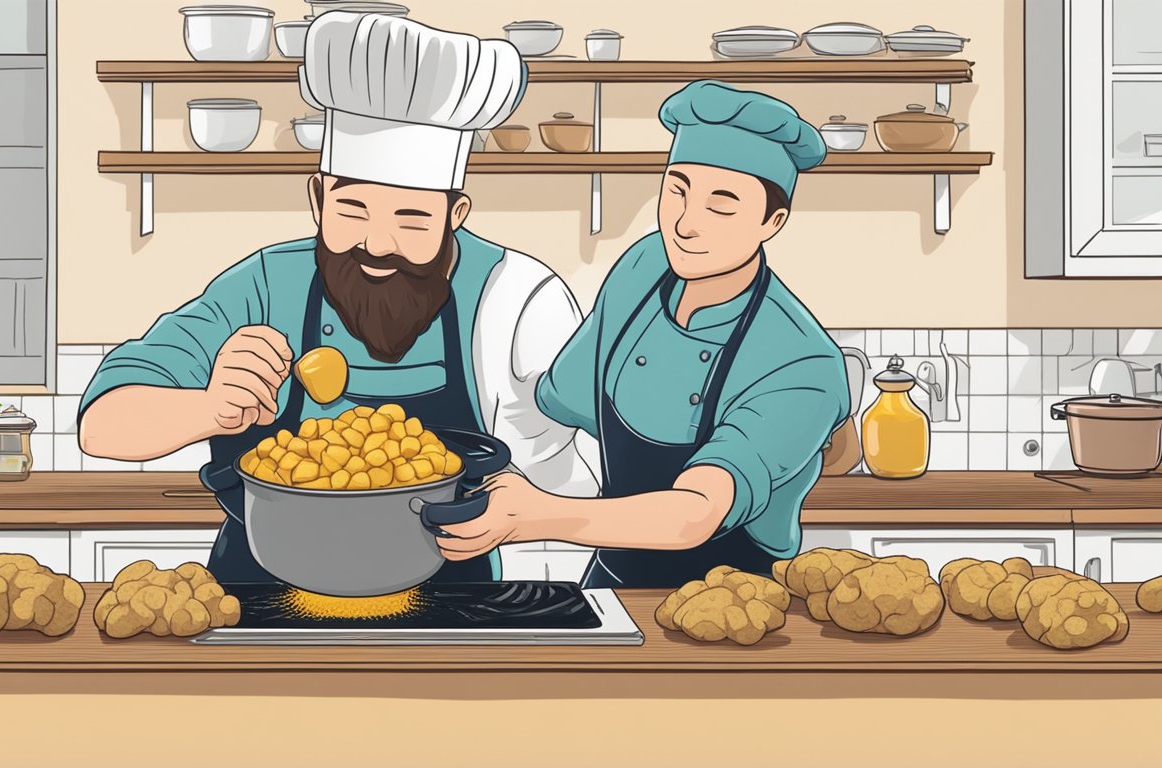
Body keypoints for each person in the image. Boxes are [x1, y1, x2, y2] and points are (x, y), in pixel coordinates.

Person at [78, 12, 597, 584]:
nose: (377, 243)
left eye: (411, 219)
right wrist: (209, 408)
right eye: (352, 211)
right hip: (263, 588)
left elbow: (576, 480)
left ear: (455, 215)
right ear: (318, 198)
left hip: (448, 598)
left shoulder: (517, 299)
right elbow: (102, 426)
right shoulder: (267, 284)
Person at [437, 81, 850, 588]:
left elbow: (696, 512)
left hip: (735, 596)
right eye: (677, 190)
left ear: (773, 221)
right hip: (613, 578)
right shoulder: (644, 266)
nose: (686, 224)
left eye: (722, 205)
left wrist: (534, 515)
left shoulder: (800, 362)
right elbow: (560, 398)